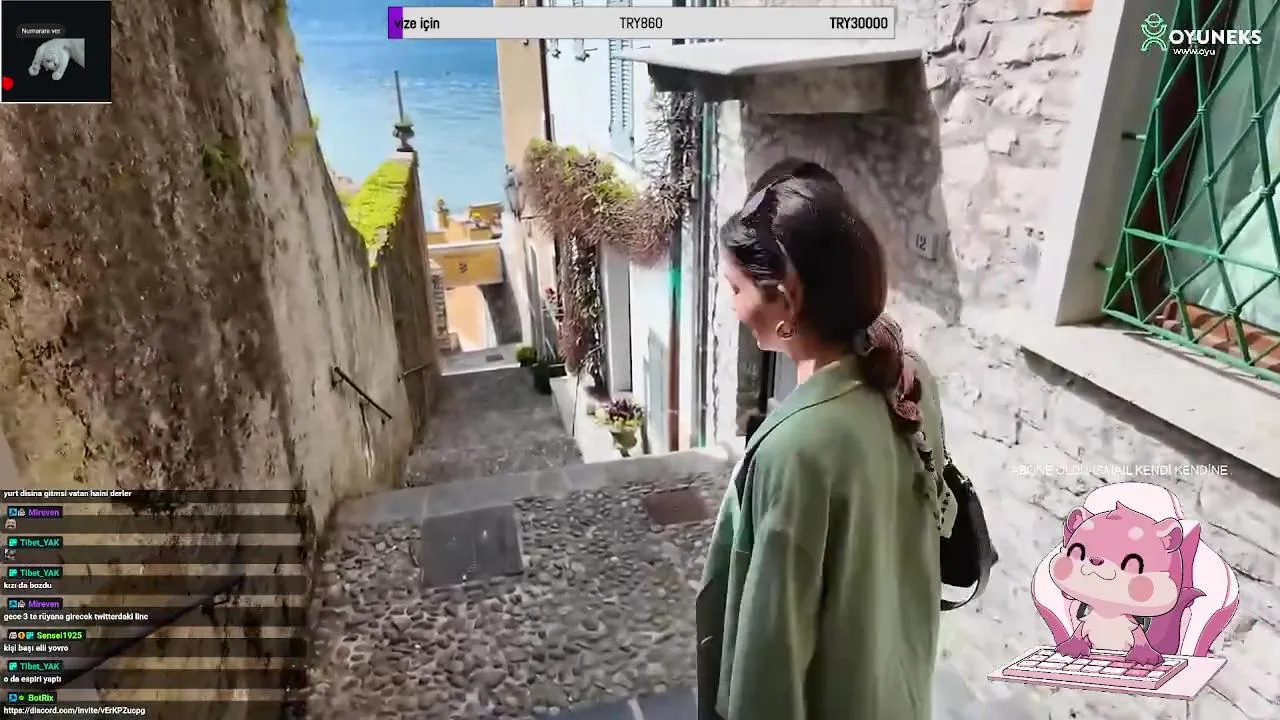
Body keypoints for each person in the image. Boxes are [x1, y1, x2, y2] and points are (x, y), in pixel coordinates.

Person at [696, 159, 957, 720]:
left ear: (787, 298)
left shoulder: (795, 450)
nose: (733, 306)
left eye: (737, 288)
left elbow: (769, 659)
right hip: (899, 686)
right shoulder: (911, 379)